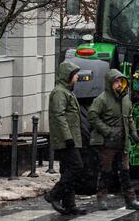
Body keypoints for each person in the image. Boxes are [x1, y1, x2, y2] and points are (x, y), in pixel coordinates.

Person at [88, 69, 139, 210]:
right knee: (106, 171)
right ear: (110, 83)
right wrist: (107, 131)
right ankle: (102, 199)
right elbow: (92, 116)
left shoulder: (125, 99)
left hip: (123, 143)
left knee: (125, 173)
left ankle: (130, 200)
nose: (119, 84)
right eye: (116, 82)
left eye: (121, 81)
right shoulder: (101, 99)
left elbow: (129, 118)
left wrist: (133, 132)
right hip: (108, 144)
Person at [44, 61, 87, 216]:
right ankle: (54, 194)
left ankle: (69, 205)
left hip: (70, 139)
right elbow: (58, 116)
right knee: (76, 167)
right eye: (75, 74)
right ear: (68, 76)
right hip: (65, 140)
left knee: (68, 170)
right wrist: (68, 138)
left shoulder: (67, 91)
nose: (77, 77)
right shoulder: (59, 92)